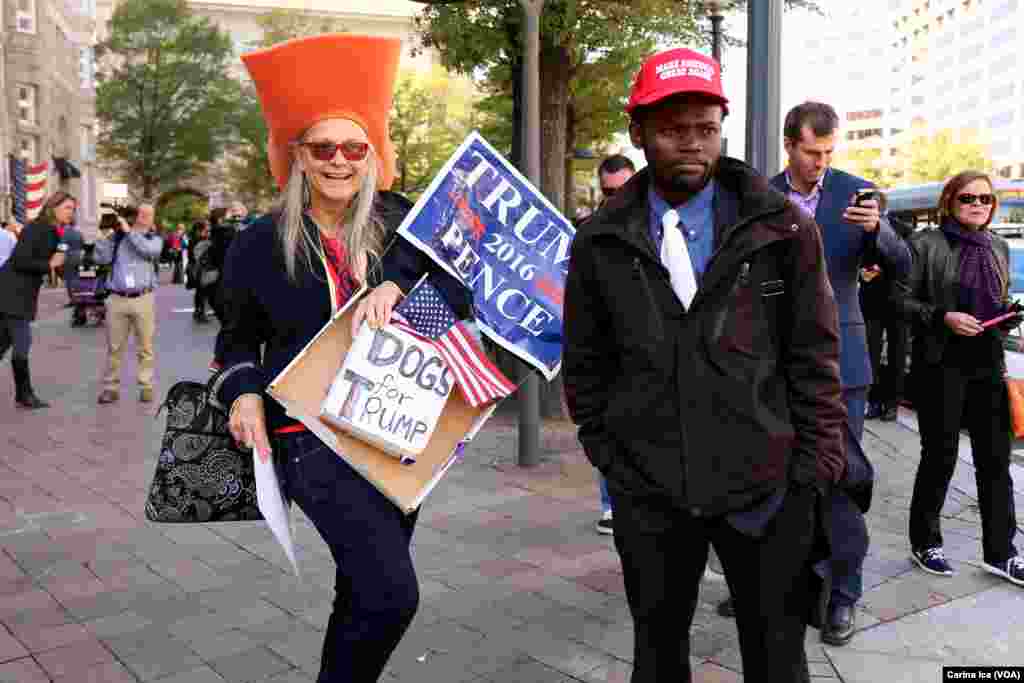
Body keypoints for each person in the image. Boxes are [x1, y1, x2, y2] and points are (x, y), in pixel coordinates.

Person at [563, 48, 846, 683]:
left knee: (777, 658)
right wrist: (615, 460)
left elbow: (815, 358)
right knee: (657, 654)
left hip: (767, 491)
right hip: (651, 495)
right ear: (638, 132)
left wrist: (807, 477)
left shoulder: (784, 229)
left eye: (705, 129)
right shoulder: (600, 239)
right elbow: (585, 363)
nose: (691, 144)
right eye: (671, 130)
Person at [217, 34, 471, 682]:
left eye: (353, 147)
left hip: (398, 433)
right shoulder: (258, 243)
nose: (338, 160)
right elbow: (237, 339)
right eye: (322, 147)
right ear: (298, 155)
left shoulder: (402, 223)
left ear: (371, 155)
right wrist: (243, 392)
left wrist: (402, 291)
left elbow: (459, 294)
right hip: (309, 439)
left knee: (361, 592)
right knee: (392, 593)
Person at [718, 101, 911, 646]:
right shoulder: (760, 195)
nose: (820, 163)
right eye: (811, 152)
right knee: (769, 475)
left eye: (828, 153)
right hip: (770, 363)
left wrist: (880, 233)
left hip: (841, 365)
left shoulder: (859, 193)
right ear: (789, 145)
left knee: (838, 480)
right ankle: (768, 583)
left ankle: (842, 595)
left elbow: (905, 268)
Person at [893, 171, 1024, 586]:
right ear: (950, 200)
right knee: (941, 455)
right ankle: (925, 542)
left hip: (987, 362)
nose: (978, 204)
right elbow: (897, 299)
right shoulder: (926, 243)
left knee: (995, 461)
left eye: (986, 199)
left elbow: (994, 300)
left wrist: (1009, 311)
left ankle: (1002, 552)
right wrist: (942, 317)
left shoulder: (998, 246)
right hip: (941, 363)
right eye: (968, 197)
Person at [588, 153, 635, 536]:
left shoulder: (659, 221)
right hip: (608, 349)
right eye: (608, 191)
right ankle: (611, 506)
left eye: (623, 189)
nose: (616, 197)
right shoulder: (591, 232)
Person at [0, 193, 73, 409]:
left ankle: (24, 395)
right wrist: (49, 265)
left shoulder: (55, 232)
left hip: (18, 293)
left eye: (73, 209)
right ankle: (25, 394)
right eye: (68, 207)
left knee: (3, 342)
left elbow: (56, 264)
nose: (72, 212)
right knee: (22, 341)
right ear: (54, 208)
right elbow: (21, 260)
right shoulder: (37, 228)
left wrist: (62, 266)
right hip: (12, 292)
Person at [94, 203, 163, 404]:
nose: (143, 218)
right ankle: (110, 387)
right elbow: (100, 258)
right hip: (117, 298)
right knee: (114, 347)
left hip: (143, 298)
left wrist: (129, 232)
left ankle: (146, 386)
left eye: (147, 215)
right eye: (140, 214)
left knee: (145, 347)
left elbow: (150, 252)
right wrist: (105, 235)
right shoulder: (116, 239)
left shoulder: (152, 239)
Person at [862, 214, 914, 422]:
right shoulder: (863, 229)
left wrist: (880, 270)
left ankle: (888, 403)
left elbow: (908, 263)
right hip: (876, 301)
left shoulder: (901, 230)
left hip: (896, 302)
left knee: (892, 355)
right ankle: (880, 403)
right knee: (878, 355)